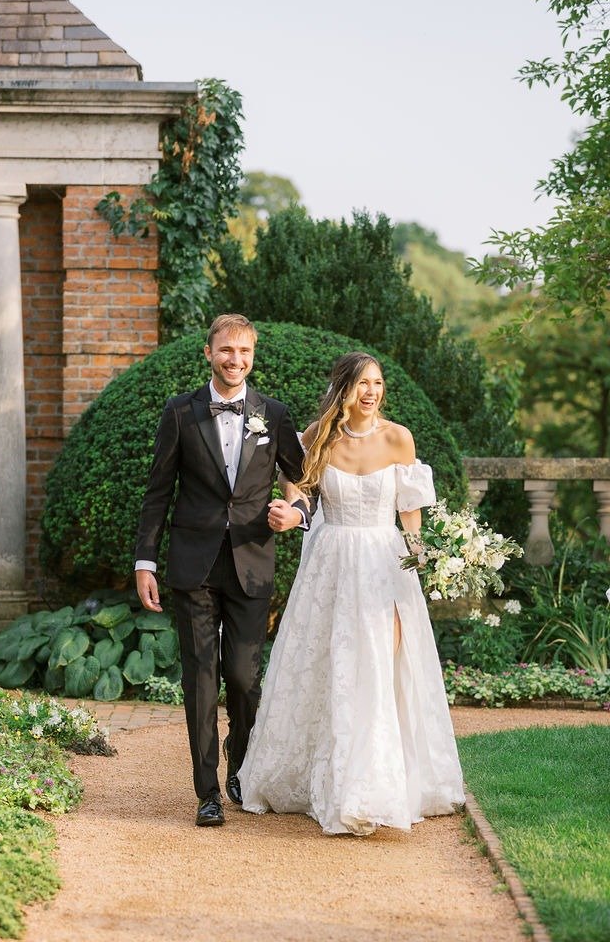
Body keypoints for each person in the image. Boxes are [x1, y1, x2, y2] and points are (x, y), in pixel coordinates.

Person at [238, 351, 465, 836]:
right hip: (330, 564)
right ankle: (329, 779)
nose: (372, 392)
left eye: (378, 383)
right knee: (330, 665)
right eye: (363, 383)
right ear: (344, 387)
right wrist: (292, 511)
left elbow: (410, 514)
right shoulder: (317, 437)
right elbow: (298, 489)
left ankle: (373, 784)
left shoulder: (399, 438)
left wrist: (426, 562)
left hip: (386, 567)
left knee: (381, 665)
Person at [134, 314, 309, 828]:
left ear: (254, 355)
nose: (236, 360)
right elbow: (157, 493)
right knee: (202, 679)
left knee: (243, 676)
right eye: (226, 350)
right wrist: (145, 560)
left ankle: (242, 762)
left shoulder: (274, 415)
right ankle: (208, 792)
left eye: (245, 352)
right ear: (208, 353)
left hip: (253, 563)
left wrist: (295, 514)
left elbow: (307, 483)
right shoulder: (180, 413)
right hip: (194, 565)